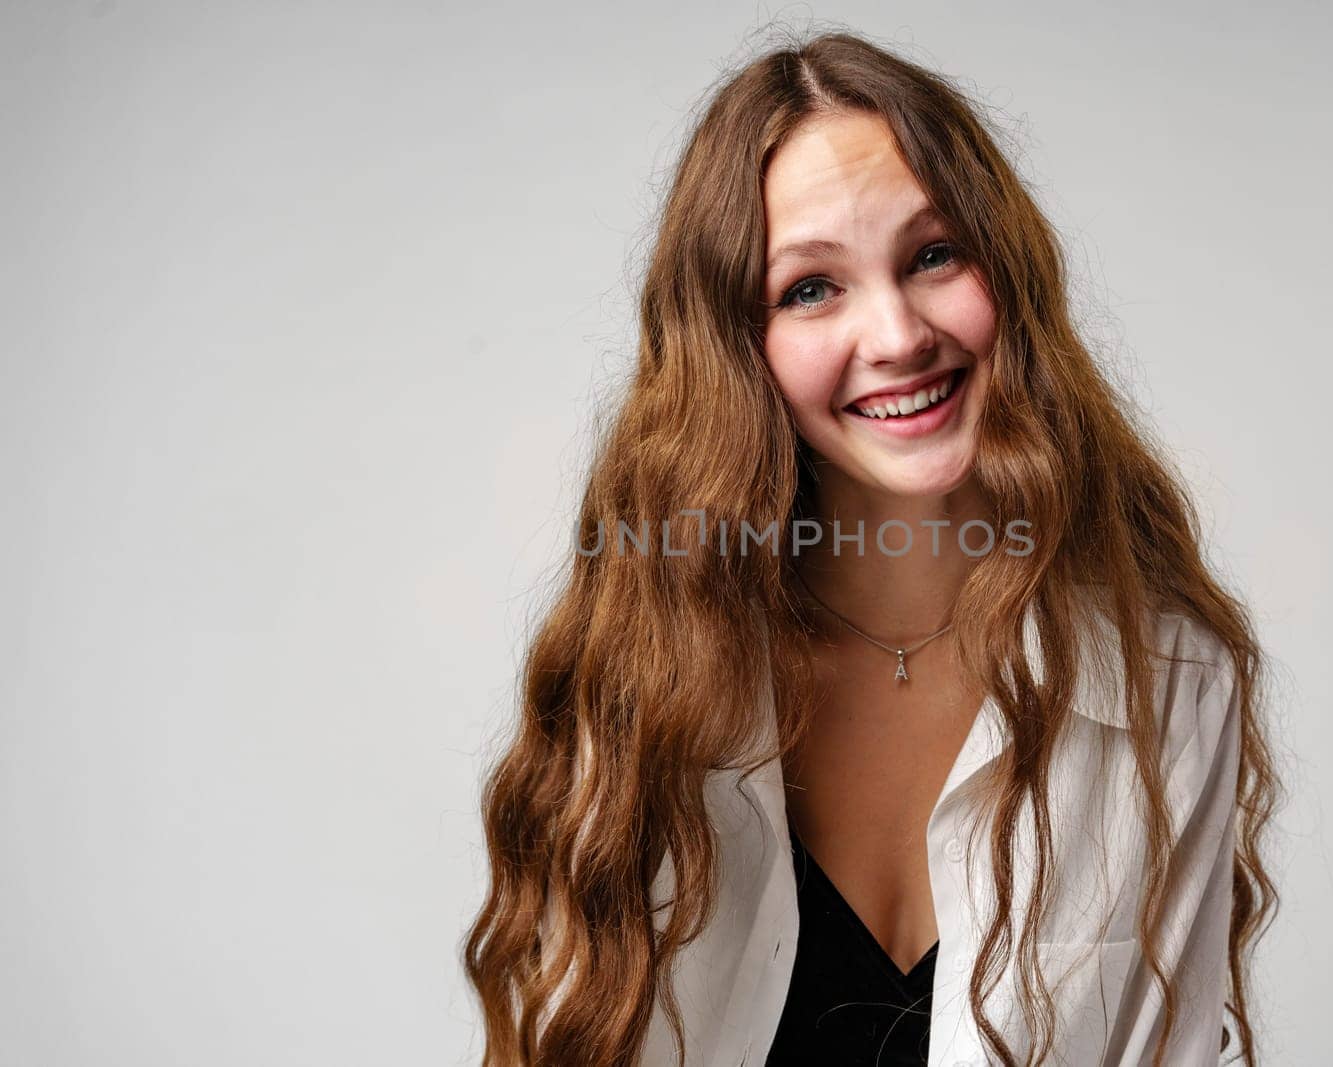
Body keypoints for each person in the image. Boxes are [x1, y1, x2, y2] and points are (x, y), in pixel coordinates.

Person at [464, 27, 1281, 1067]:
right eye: (810, 288)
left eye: (933, 255)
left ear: (1008, 272)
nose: (896, 334)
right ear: (736, 344)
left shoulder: (1167, 676)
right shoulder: (644, 674)